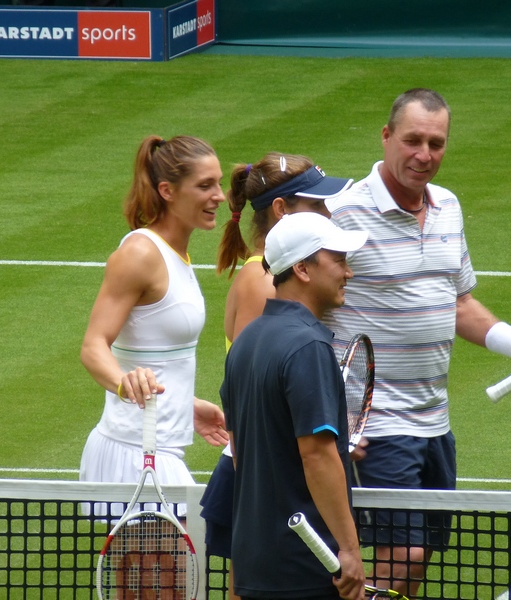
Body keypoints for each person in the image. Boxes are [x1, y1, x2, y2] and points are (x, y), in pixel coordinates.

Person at [323, 88, 511, 597]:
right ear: (386, 136)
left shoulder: (448, 207)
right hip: (374, 422)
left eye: (436, 143)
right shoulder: (342, 214)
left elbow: (458, 301)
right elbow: (301, 299)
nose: (424, 155)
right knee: (404, 554)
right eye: (413, 140)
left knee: (415, 565)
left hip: (434, 421)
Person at [201, 153, 352, 598]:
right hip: (271, 487)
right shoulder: (264, 288)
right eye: (317, 205)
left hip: (264, 489)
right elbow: (267, 400)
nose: (327, 213)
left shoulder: (268, 295)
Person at [221, 212, 368, 600]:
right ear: (303, 268)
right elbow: (317, 457)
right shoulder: (309, 347)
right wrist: (350, 550)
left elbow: (240, 452)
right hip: (307, 567)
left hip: (255, 565)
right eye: (338, 260)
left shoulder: (246, 343)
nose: (347, 272)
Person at [79, 134, 229, 514]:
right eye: (205, 185)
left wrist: (185, 404)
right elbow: (94, 344)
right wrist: (121, 382)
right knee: (168, 571)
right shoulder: (140, 254)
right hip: (135, 450)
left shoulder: (178, 254)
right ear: (168, 190)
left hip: (158, 441)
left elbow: (154, 348)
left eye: (219, 183)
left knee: (169, 573)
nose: (220, 196)